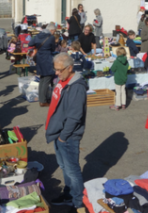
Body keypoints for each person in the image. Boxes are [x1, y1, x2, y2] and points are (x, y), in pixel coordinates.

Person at [46, 53, 87, 209]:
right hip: (59, 132)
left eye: (59, 70)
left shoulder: (76, 87)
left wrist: (63, 136)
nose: (56, 73)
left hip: (67, 135)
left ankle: (78, 203)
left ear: (70, 68)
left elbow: (75, 116)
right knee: (64, 167)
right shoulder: (63, 81)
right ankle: (69, 194)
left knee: (72, 170)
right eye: (55, 69)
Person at [29, 23, 57, 107]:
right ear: (51, 30)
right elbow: (53, 48)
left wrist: (38, 46)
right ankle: (43, 101)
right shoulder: (51, 37)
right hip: (47, 58)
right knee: (47, 79)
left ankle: (41, 99)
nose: (54, 33)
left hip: (39, 59)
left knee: (42, 79)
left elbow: (30, 43)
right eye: (54, 31)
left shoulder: (38, 35)